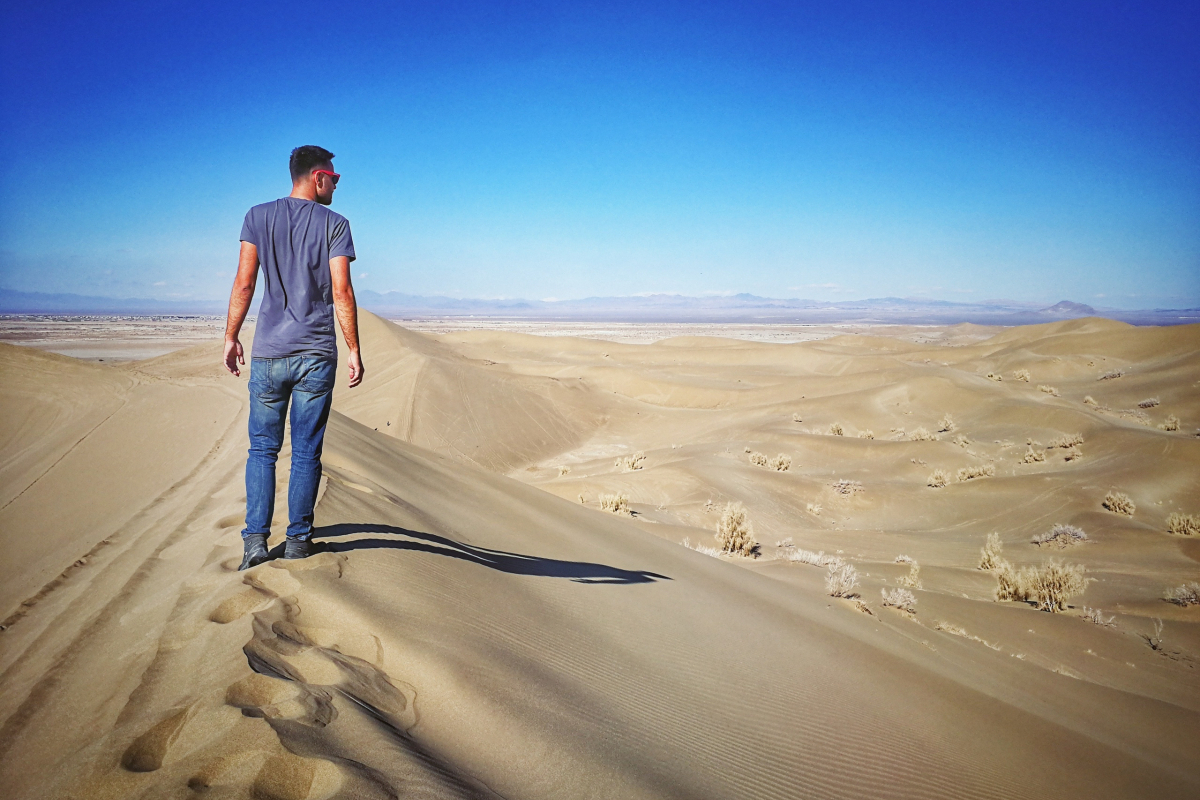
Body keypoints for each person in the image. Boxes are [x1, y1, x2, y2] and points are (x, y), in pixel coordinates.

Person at [222, 145, 365, 570]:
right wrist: (355, 348)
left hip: (268, 353)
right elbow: (342, 291)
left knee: (262, 451)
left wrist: (230, 337)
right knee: (306, 453)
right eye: (335, 179)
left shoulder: (257, 216)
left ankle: (254, 544)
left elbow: (245, 283)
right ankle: (299, 540)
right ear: (318, 177)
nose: (337, 186)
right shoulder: (335, 225)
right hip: (316, 354)